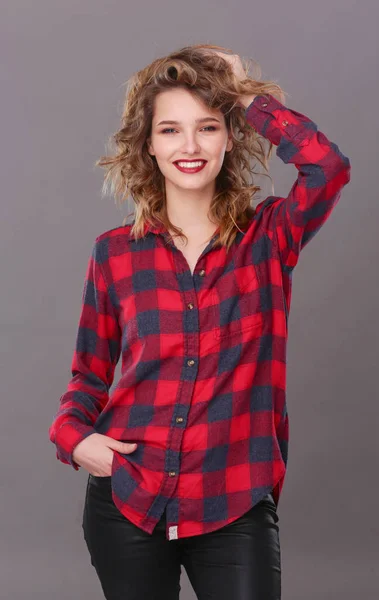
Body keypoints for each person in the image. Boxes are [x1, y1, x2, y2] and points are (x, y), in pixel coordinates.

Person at [48, 43, 351, 600]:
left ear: (229, 137)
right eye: (169, 130)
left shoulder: (269, 239)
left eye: (207, 127)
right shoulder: (114, 253)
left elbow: (327, 167)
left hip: (233, 501)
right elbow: (89, 376)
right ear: (148, 145)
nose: (189, 146)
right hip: (127, 502)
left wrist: (247, 95)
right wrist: (74, 439)